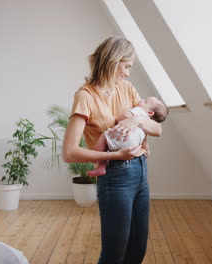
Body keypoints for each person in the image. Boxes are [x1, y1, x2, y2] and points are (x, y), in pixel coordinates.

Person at [62, 36, 163, 264]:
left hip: (140, 173)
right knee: (114, 254)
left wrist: (137, 122)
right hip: (116, 178)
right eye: (126, 66)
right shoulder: (85, 96)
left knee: (137, 249)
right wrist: (115, 155)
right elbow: (69, 153)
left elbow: (157, 128)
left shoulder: (127, 88)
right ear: (113, 61)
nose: (127, 73)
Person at [87, 96, 168, 177]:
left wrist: (122, 117)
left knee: (104, 137)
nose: (141, 100)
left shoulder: (139, 111)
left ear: (150, 113)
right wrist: (147, 151)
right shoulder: (147, 122)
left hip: (122, 137)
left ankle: (97, 160)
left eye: (145, 101)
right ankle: (101, 165)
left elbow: (121, 118)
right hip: (133, 146)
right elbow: (145, 140)